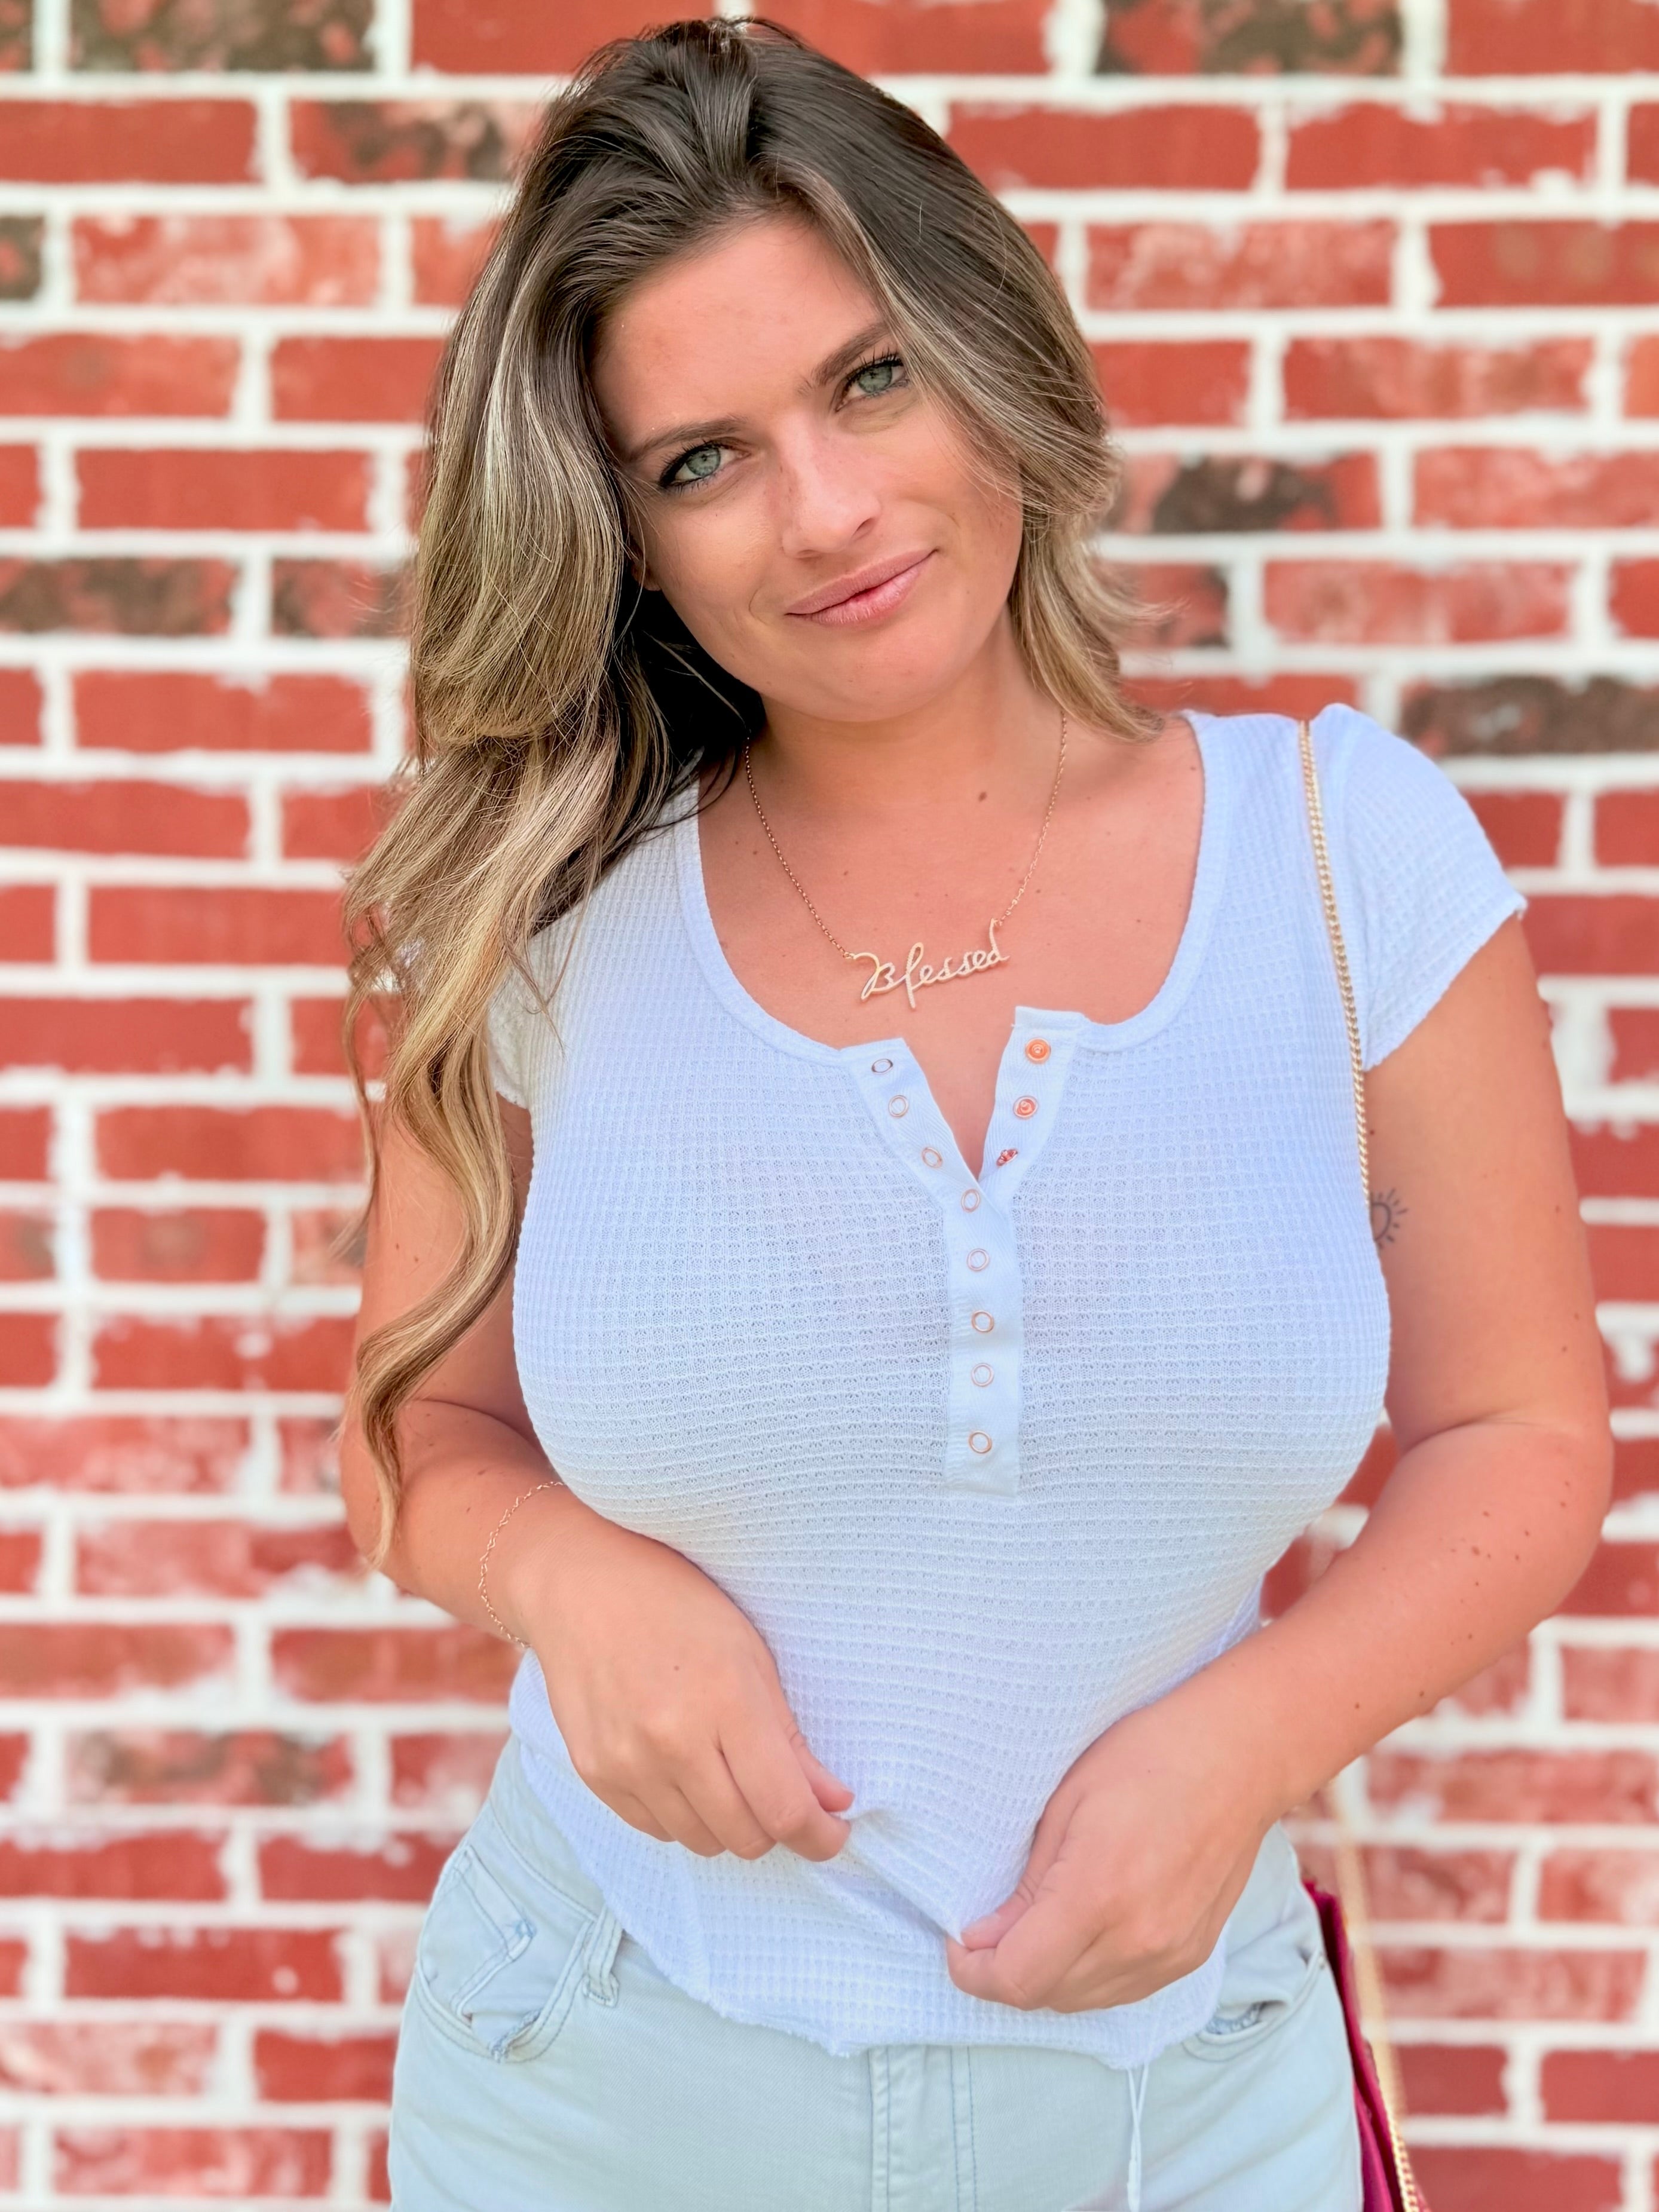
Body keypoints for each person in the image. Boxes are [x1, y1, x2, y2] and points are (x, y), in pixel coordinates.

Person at [337, 20, 1612, 2211]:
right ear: (625, 539)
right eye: (702, 460)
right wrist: (571, 1583)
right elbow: (412, 1439)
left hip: (1179, 2112)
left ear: (989, 350)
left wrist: (1256, 1740)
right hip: (602, 2089)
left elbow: (1521, 1427)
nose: (826, 512)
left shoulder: (1344, 858)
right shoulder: (534, 926)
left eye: (869, 381)